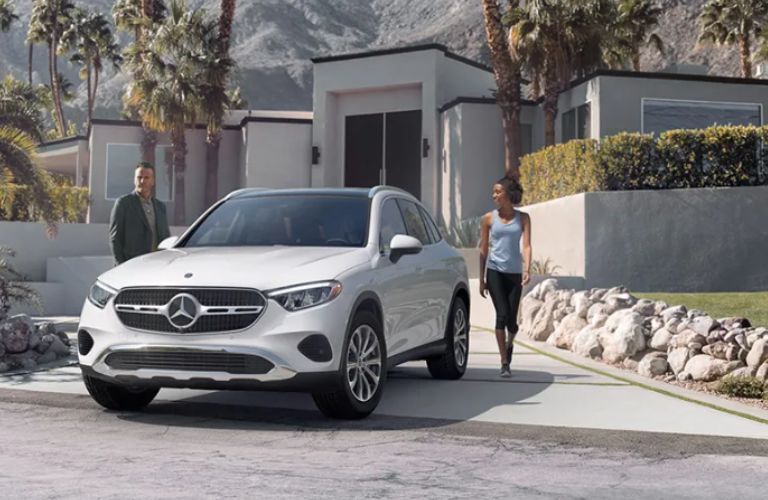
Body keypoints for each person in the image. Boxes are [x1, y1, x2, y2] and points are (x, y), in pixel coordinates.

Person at [478, 176, 532, 378]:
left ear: (508, 194)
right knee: (501, 315)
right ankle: (504, 362)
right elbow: (483, 249)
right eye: (493, 192)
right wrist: (482, 279)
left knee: (511, 322)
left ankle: (510, 342)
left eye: (498, 192)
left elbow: (526, 245)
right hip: (495, 272)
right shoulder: (488, 219)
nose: (494, 195)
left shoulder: (523, 218)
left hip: (514, 274)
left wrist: (527, 269)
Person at [109, 162, 171, 265]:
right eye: (139, 177)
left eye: (146, 178)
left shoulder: (160, 207)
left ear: (153, 181)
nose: (142, 181)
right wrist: (121, 265)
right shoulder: (124, 204)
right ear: (134, 179)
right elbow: (115, 239)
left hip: (156, 266)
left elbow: (165, 238)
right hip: (132, 266)